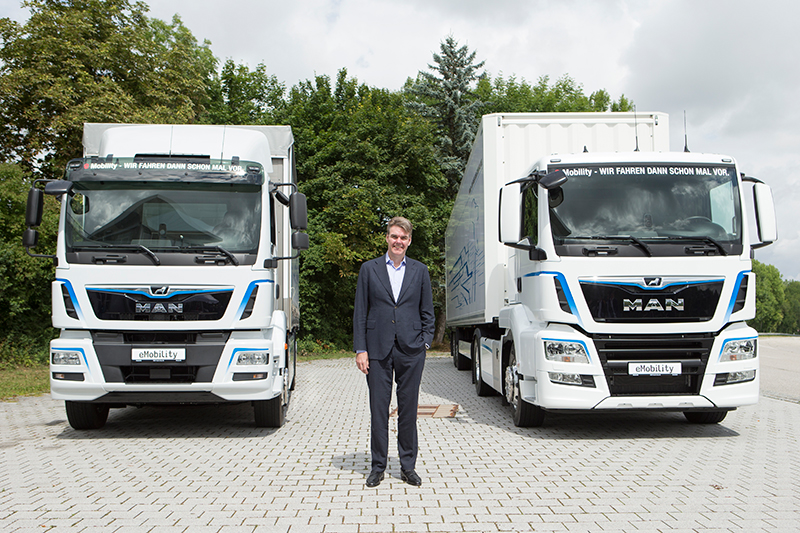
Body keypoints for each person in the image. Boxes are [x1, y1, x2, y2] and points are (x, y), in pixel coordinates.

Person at [353, 216, 434, 487]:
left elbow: (427, 311)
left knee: (408, 410)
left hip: (411, 350)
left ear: (409, 241)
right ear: (387, 238)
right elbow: (360, 312)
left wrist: (425, 342)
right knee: (379, 410)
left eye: (403, 237)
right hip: (377, 349)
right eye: (394, 236)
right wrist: (361, 349)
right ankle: (378, 466)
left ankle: (408, 466)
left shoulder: (420, 270)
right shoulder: (369, 269)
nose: (398, 241)